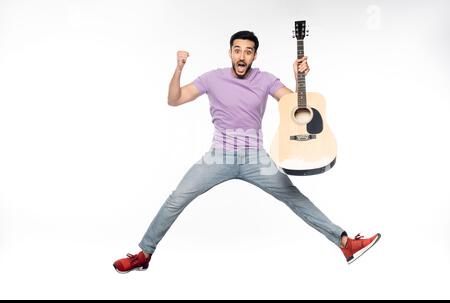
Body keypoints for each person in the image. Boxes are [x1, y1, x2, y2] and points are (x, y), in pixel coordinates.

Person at [113, 31, 380, 273]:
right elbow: (174, 100)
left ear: (254, 55)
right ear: (230, 52)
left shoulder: (265, 80)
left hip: (256, 158)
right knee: (177, 198)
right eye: (237, 50)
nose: (242, 56)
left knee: (294, 198)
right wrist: (179, 67)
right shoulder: (212, 78)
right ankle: (144, 254)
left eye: (248, 51)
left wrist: (300, 77)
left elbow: (295, 106)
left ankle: (345, 243)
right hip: (219, 155)